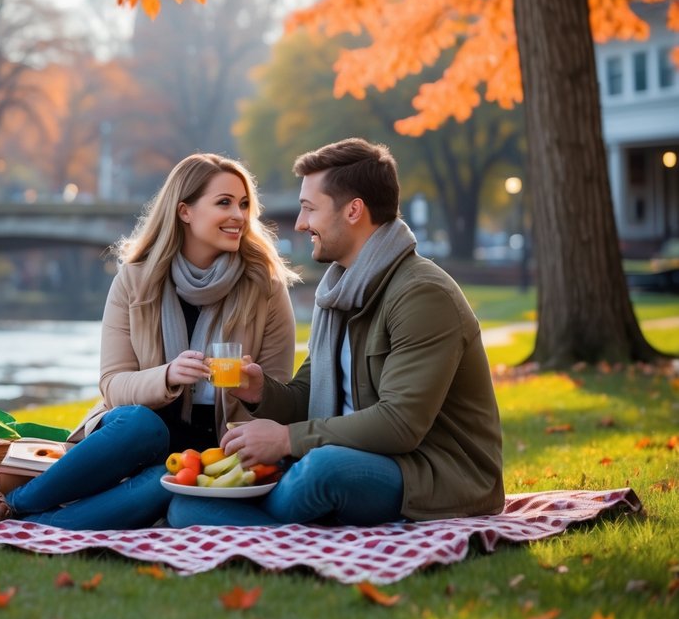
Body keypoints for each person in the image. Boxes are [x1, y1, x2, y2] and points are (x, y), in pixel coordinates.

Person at [0, 153, 299, 532]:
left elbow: (279, 403)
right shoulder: (134, 281)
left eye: (245, 204)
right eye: (224, 202)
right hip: (130, 442)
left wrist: (254, 391)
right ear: (184, 211)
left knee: (163, 483)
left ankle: (14, 519)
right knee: (140, 423)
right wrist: (167, 376)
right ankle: (10, 505)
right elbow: (113, 385)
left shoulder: (265, 289)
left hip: (211, 455)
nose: (239, 214)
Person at [167, 138, 504, 528]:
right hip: (361, 457)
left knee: (323, 467)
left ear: (354, 211)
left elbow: (399, 425)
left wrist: (287, 441)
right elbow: (308, 396)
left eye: (309, 209)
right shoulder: (341, 291)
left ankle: (245, 519)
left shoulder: (421, 293)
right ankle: (247, 518)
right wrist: (260, 393)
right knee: (189, 506)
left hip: (431, 474)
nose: (299, 223)